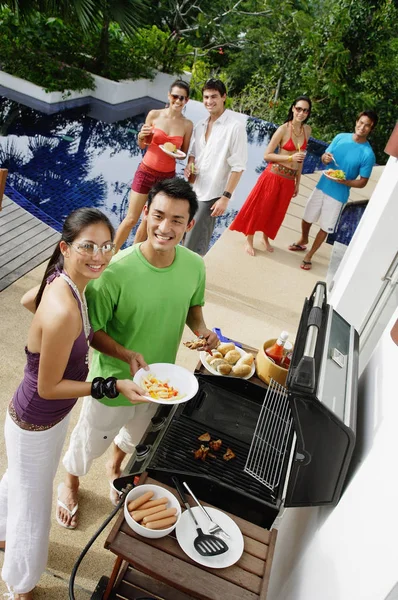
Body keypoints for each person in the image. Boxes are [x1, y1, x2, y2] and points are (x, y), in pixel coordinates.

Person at [0, 208, 148, 600]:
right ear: (66, 247)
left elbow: (30, 301)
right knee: (33, 509)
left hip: (40, 419)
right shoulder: (63, 306)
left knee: (21, 482)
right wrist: (109, 385)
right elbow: (48, 387)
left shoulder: (63, 282)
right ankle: (20, 583)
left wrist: (119, 350)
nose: (99, 255)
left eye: (106, 246)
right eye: (88, 246)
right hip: (35, 419)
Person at [57, 177, 219, 528]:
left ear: (190, 224)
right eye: (158, 215)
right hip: (113, 383)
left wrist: (203, 330)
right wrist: (126, 353)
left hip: (161, 380)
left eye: (177, 220)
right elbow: (93, 332)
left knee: (133, 436)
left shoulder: (195, 266)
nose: (165, 227)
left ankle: (114, 466)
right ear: (145, 213)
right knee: (89, 439)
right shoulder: (115, 272)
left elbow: (193, 308)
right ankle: (70, 481)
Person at [289, 110, 378, 270]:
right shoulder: (340, 137)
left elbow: (363, 182)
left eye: (367, 126)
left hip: (338, 195)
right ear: (356, 121)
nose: (362, 127)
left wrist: (345, 181)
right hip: (322, 185)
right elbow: (324, 157)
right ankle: (303, 239)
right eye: (361, 122)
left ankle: (309, 255)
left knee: (325, 227)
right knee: (307, 217)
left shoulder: (368, 154)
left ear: (371, 129)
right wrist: (325, 158)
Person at [114, 79, 193, 251]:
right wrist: (140, 136)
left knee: (147, 220)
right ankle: (109, 255)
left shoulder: (187, 125)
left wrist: (185, 161)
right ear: (169, 95)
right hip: (146, 171)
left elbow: (183, 154)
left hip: (166, 179)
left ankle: (132, 257)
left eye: (182, 98)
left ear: (187, 100)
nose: (178, 101)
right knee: (131, 219)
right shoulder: (154, 115)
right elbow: (142, 144)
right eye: (175, 96)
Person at [230, 96, 312, 255]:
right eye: (299, 109)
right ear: (293, 108)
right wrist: (289, 158)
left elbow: (300, 159)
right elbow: (267, 155)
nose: (301, 113)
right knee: (260, 208)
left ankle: (265, 237)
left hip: (289, 179)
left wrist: (297, 182)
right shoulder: (283, 129)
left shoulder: (306, 131)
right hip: (273, 176)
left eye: (305, 110)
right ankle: (249, 239)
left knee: (276, 211)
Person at [183, 79, 248, 256]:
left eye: (214, 97)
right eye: (206, 97)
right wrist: (189, 165)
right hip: (192, 190)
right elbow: (194, 154)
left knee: (193, 246)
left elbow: (239, 166)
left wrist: (225, 198)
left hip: (211, 196)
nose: (209, 101)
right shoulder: (200, 126)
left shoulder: (235, 128)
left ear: (223, 97)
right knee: (180, 239)